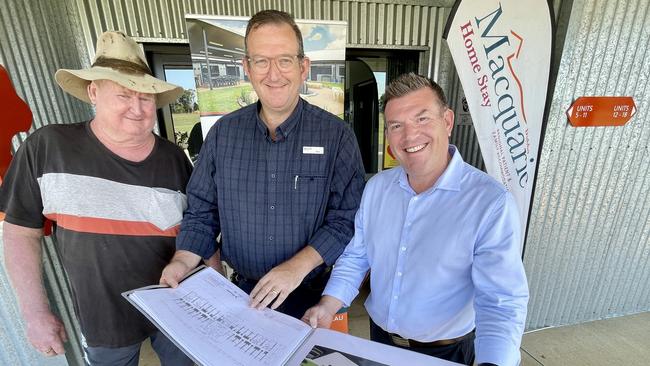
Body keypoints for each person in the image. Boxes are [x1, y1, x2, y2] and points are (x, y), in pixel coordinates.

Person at [303, 73, 529, 366]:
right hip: (380, 341)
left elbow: (500, 302)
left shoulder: (490, 203)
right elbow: (357, 256)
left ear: (447, 121)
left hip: (446, 353)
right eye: (397, 126)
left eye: (422, 119)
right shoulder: (377, 189)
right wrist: (328, 304)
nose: (410, 136)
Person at [0, 31, 195, 365]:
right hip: (103, 321)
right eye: (123, 94)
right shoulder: (48, 148)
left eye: (146, 97)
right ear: (94, 91)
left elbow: (198, 230)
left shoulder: (175, 158)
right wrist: (35, 313)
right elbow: (20, 232)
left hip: (174, 311)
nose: (137, 108)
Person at [160, 9, 365, 320]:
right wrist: (182, 260)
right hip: (241, 294)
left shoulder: (337, 137)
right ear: (246, 67)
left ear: (303, 66)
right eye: (261, 61)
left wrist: (296, 267)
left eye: (284, 59)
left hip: (312, 298)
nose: (274, 73)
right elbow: (201, 212)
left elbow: (346, 218)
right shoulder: (222, 135)